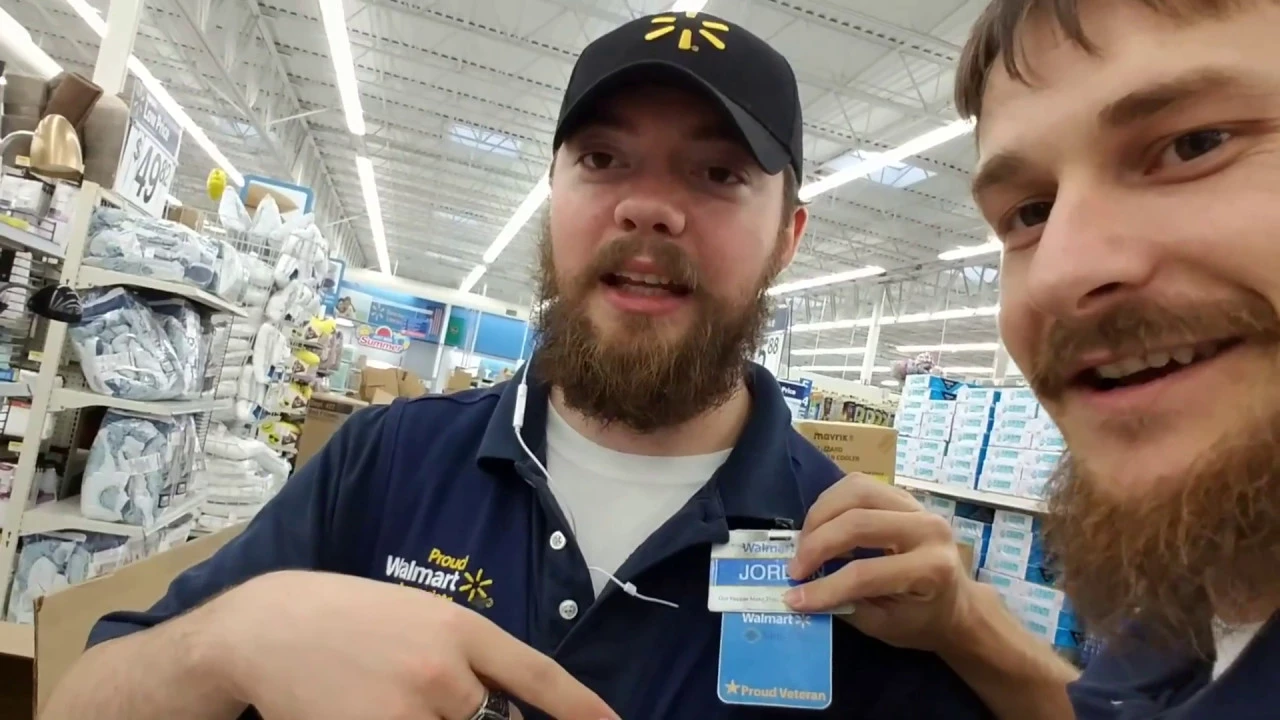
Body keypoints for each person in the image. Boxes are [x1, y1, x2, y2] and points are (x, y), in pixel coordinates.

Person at [43, 12, 1071, 720]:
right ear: (553, 194)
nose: (647, 206)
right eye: (602, 159)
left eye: (718, 172)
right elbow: (78, 699)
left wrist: (977, 634)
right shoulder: (384, 463)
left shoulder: (854, 562)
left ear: (787, 238)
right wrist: (226, 640)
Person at [956, 0, 1280, 716]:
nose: (1059, 273)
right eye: (1030, 214)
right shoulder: (1182, 621)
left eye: (1196, 144)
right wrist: (963, 627)